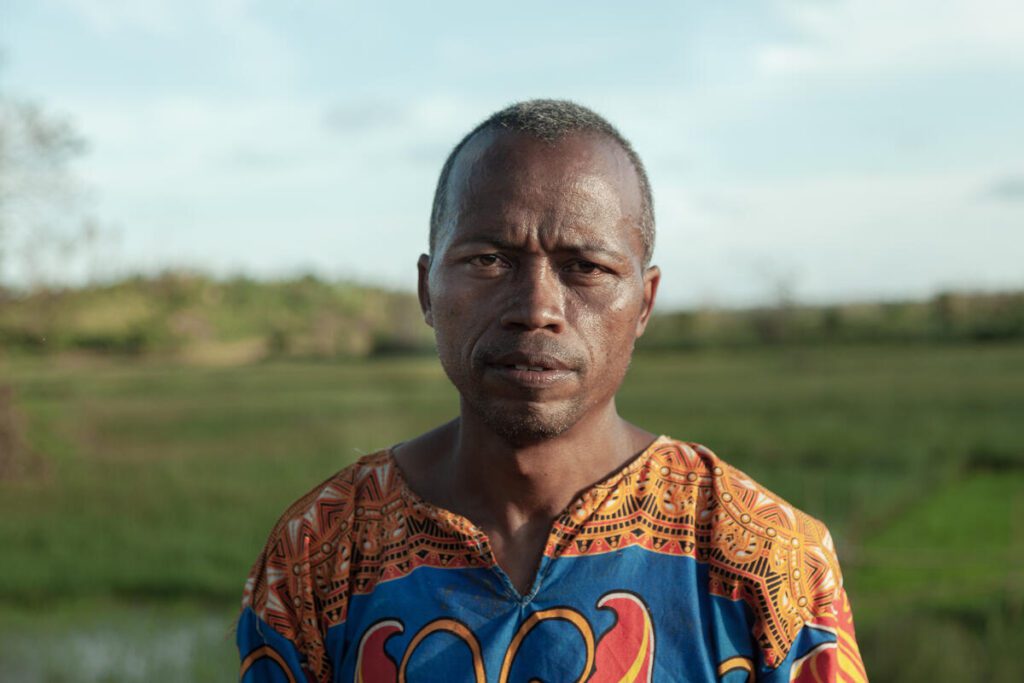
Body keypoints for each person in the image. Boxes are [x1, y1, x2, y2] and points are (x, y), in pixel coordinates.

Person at [236, 100, 867, 682]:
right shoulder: (321, 551)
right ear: (428, 291)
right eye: (489, 260)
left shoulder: (765, 555)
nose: (537, 308)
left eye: (586, 268)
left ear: (643, 303)